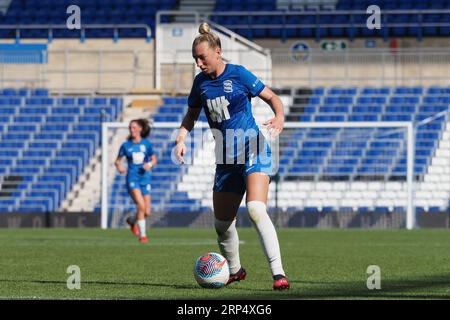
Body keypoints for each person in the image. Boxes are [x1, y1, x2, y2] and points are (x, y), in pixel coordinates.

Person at [175, 23, 289, 290]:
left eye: (202, 57)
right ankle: (235, 271)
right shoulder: (200, 83)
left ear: (218, 52)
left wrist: (280, 116)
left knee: (255, 209)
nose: (198, 63)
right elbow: (191, 115)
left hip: (253, 147)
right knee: (222, 224)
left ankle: (278, 274)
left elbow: (272, 97)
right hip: (225, 156)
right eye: (195, 58)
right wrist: (181, 137)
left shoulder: (239, 74)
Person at [115, 119, 157, 243]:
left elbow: (154, 160)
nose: (131, 130)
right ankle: (143, 236)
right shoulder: (126, 145)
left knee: (147, 211)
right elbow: (117, 161)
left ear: (140, 129)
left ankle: (132, 220)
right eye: (130, 127)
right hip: (132, 179)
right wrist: (120, 167)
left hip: (145, 179)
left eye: (134, 127)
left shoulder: (147, 144)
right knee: (141, 206)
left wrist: (149, 164)